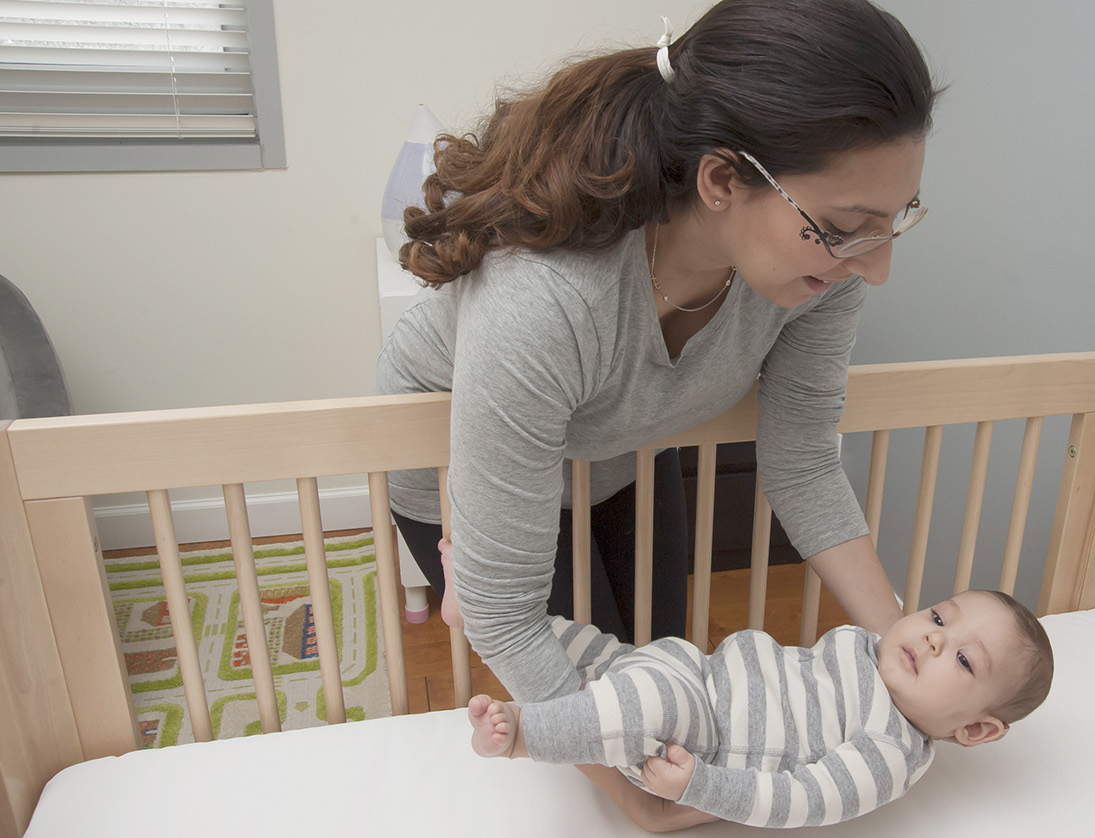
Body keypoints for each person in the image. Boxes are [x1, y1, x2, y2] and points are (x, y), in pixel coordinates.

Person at [375, 0, 936, 700]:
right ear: (722, 180)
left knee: (660, 666)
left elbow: (804, 462)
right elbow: (510, 621)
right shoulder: (549, 295)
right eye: (845, 226)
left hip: (621, 441)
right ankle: (468, 562)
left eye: (894, 222)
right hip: (467, 453)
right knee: (588, 683)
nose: (875, 265)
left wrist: (903, 643)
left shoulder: (826, 271)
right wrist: (647, 801)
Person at [468, 590, 1055, 829]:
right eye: (938, 616)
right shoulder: (870, 649)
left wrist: (702, 785)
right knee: (597, 651)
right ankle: (481, 613)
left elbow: (797, 800)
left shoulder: (888, 752)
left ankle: (525, 731)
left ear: (976, 728)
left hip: (702, 739)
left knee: (634, 704)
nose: (933, 638)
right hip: (694, 669)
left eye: (963, 661)